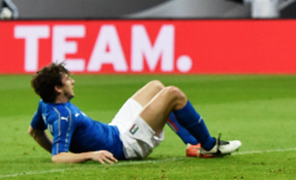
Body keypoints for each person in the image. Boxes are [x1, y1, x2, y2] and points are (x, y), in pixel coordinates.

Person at [28, 62, 241, 164]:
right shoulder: (63, 116)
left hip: (115, 130)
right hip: (127, 144)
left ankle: (192, 144)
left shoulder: (44, 104)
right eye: (67, 79)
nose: (73, 81)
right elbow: (58, 157)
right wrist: (90, 155)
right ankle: (209, 145)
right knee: (173, 94)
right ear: (58, 88)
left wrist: (77, 151)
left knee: (156, 87)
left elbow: (34, 132)